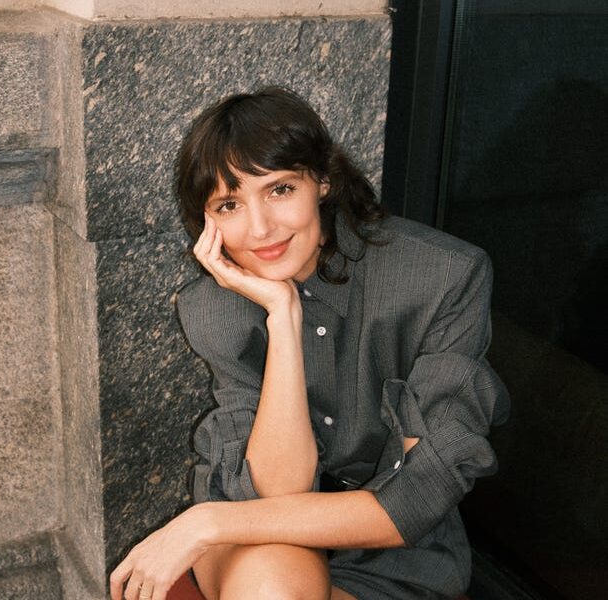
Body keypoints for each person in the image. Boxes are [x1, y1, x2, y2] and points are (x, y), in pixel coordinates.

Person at [109, 87, 510, 600]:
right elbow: (276, 490)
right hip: (254, 533)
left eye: (279, 190)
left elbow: (415, 500)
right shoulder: (214, 307)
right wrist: (283, 316)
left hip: (392, 554)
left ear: (322, 179)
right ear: (208, 223)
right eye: (229, 204)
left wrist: (207, 523)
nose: (260, 228)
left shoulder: (442, 278)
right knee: (270, 582)